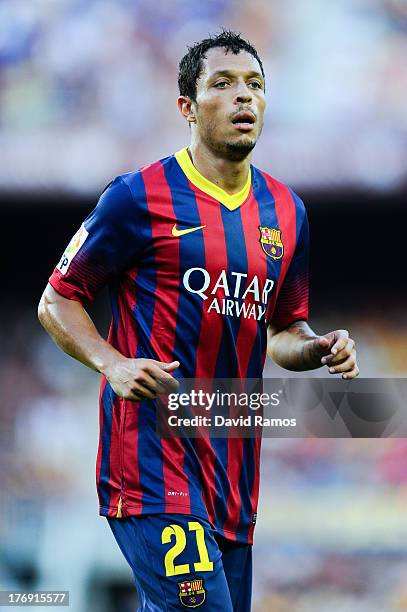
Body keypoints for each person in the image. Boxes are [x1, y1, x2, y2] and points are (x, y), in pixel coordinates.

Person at [38, 30, 358, 612]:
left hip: (234, 473)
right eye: (224, 84)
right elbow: (56, 300)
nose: (244, 98)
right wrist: (111, 363)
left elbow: (283, 332)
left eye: (255, 85)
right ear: (187, 106)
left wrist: (318, 348)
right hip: (152, 464)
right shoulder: (138, 197)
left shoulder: (287, 211)